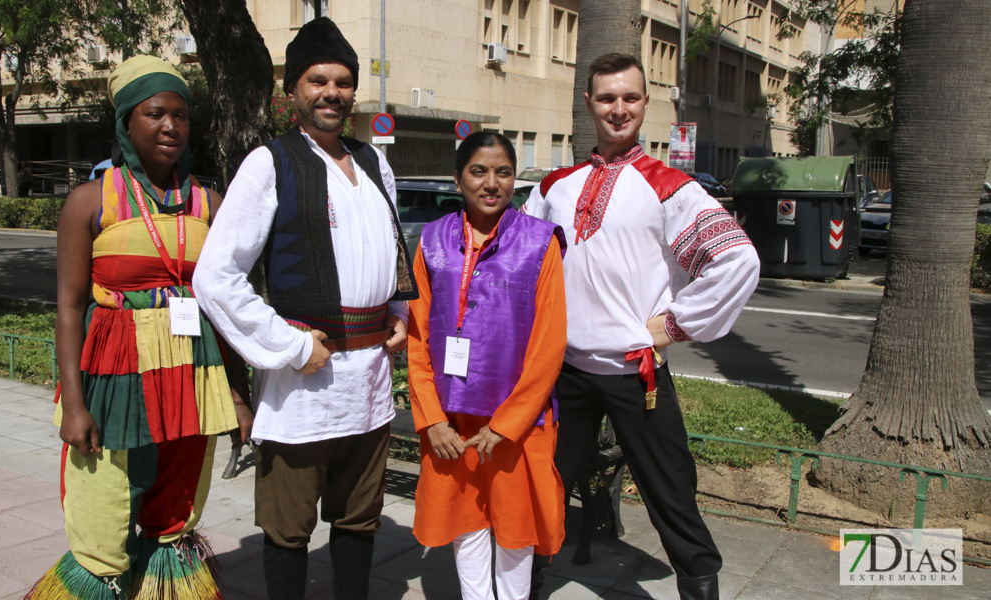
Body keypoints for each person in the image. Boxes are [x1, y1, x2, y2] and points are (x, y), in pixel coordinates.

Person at [192, 17, 417, 600]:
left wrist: (399, 312)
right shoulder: (271, 163)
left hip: (367, 379)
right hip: (301, 383)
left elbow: (391, 250)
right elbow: (215, 277)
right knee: (288, 528)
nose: (332, 92)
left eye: (343, 82)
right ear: (292, 91)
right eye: (317, 80)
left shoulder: (374, 163)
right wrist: (290, 346)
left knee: (359, 518)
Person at [523, 53, 760, 600]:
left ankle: (699, 586)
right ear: (589, 104)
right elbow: (520, 267)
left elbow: (737, 259)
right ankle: (525, 584)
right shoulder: (555, 187)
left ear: (645, 104)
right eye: (607, 98)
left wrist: (673, 325)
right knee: (544, 485)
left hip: (636, 372)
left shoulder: (669, 186)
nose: (618, 108)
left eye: (630, 97)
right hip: (564, 372)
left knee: (671, 492)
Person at [26, 54, 249, 600]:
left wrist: (239, 396)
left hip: (191, 382)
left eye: (180, 114)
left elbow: (229, 306)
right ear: (127, 122)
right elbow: (70, 308)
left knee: (174, 513)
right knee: (100, 511)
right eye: (154, 114)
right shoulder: (88, 203)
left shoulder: (211, 205)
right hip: (110, 381)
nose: (170, 126)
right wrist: (73, 404)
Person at [408, 131, 567, 600]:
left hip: (518, 422)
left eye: (503, 172)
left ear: (515, 180)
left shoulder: (540, 243)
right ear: (458, 179)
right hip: (452, 420)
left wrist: (508, 425)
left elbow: (549, 343)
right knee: (465, 523)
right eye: (479, 171)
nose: (491, 182)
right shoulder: (433, 240)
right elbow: (417, 338)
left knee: (515, 529)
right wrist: (431, 418)